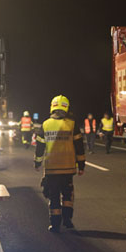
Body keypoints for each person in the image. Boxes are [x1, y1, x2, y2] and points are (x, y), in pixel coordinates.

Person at [34, 95, 85, 232]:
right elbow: (79, 146)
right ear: (66, 108)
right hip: (68, 168)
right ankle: (68, 220)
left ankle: (55, 224)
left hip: (51, 169)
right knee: (68, 195)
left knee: (54, 196)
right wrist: (81, 165)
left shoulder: (45, 125)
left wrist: (37, 163)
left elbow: (40, 147)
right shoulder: (72, 124)